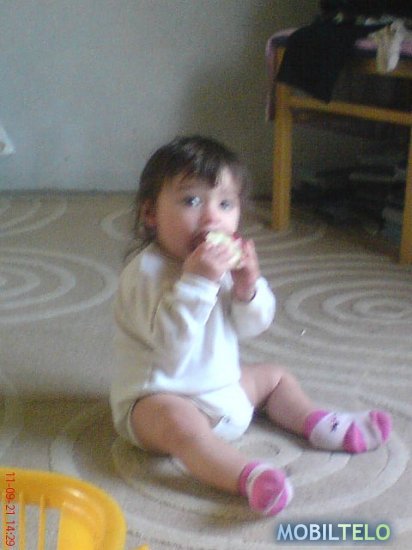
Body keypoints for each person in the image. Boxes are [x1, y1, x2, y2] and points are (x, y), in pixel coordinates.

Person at [110, 135, 392, 516]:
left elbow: (252, 326)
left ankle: (316, 421)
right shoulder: (145, 274)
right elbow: (171, 351)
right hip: (159, 397)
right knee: (181, 424)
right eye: (191, 201)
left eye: (225, 204)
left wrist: (248, 288)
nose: (212, 218)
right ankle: (249, 476)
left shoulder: (218, 264)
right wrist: (198, 282)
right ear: (150, 214)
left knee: (275, 376)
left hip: (223, 389)